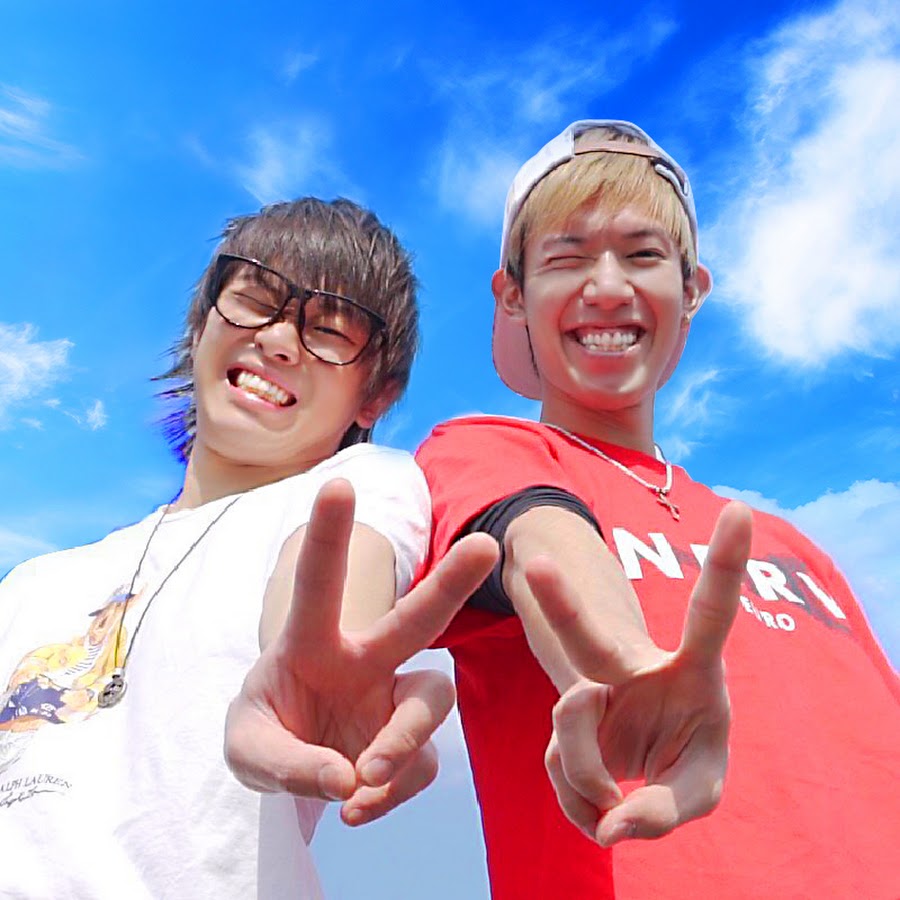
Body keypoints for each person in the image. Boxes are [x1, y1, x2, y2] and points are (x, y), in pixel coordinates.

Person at [415, 121, 900, 899]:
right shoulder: (484, 452)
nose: (608, 287)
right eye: (567, 258)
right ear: (514, 295)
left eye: (642, 255)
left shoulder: (791, 545)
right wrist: (628, 664)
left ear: (692, 289)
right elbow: (539, 542)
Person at [0, 197, 497, 899]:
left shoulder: (358, 484)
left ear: (376, 397)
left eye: (330, 331)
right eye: (255, 302)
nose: (281, 340)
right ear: (201, 322)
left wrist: (323, 664)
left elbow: (331, 584)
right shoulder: (30, 585)